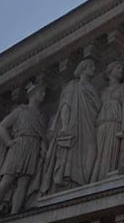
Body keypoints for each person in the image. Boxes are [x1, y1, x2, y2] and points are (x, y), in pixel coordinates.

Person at [0, 82, 48, 220]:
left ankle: (14, 215)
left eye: (43, 92)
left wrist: (43, 148)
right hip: (18, 146)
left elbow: (42, 135)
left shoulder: (41, 116)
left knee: (23, 182)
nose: (43, 94)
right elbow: (2, 127)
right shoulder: (20, 111)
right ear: (32, 94)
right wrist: (9, 142)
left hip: (33, 147)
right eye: (40, 92)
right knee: (7, 180)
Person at [41, 59, 100, 193]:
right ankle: (73, 181)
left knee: (92, 148)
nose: (94, 69)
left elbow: (98, 107)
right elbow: (65, 106)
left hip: (90, 123)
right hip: (75, 124)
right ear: (83, 68)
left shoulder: (91, 87)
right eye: (91, 66)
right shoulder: (72, 86)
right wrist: (65, 126)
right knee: (76, 150)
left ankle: (85, 181)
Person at [91, 61, 124, 181]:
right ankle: (95, 180)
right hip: (101, 124)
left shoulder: (123, 87)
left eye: (122, 68)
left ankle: (105, 179)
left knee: (110, 153)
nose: (121, 70)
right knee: (98, 154)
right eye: (118, 68)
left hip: (114, 123)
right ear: (110, 72)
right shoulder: (102, 92)